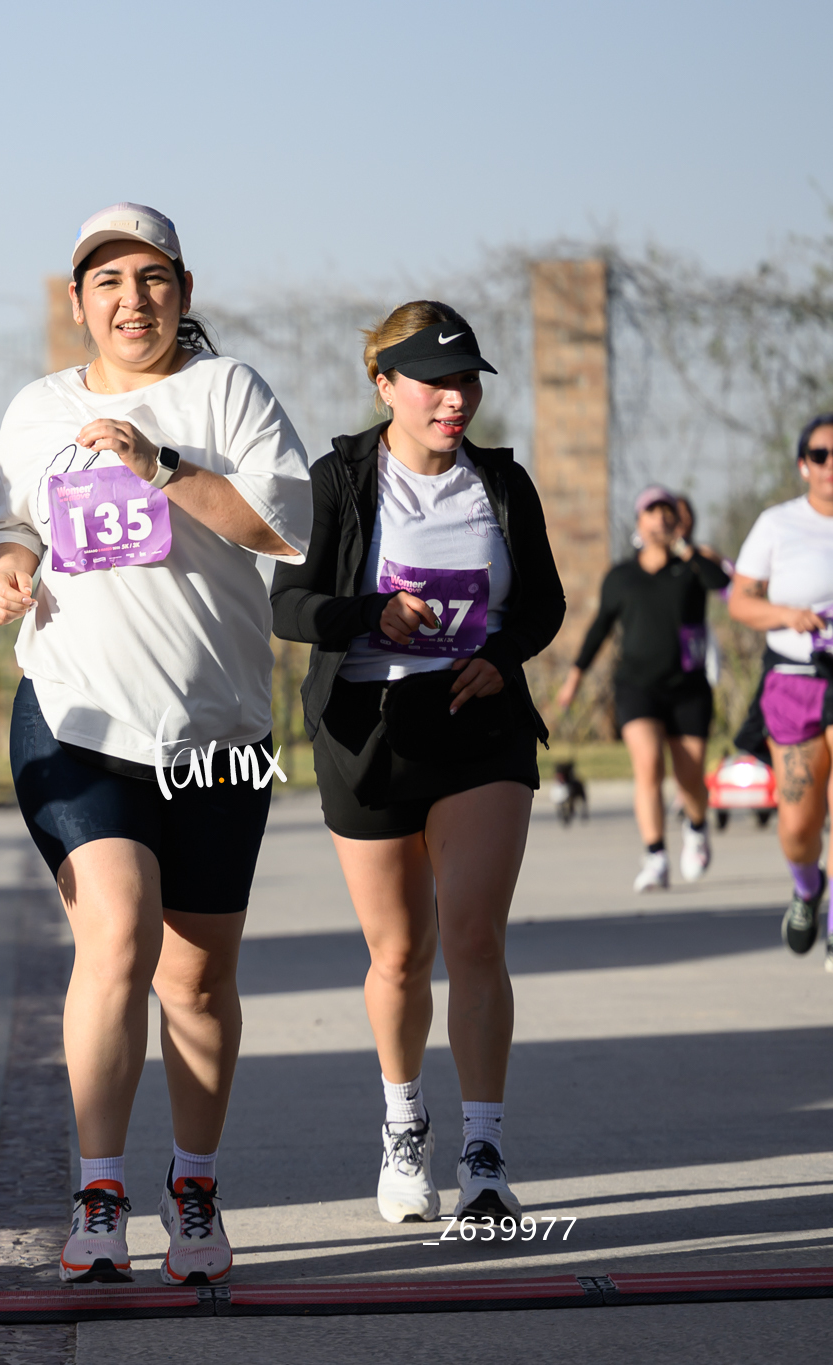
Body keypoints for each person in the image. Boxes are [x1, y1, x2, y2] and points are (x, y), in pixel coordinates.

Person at [0, 204, 311, 1286]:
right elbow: (8, 518)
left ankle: (194, 1187)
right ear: (76, 301)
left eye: (150, 278)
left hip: (215, 731)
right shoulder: (37, 410)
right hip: (74, 718)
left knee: (198, 984)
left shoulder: (228, 394)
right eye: (106, 282)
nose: (131, 300)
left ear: (183, 289)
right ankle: (99, 1187)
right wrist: (7, 565)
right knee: (116, 934)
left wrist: (162, 463)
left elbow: (284, 528)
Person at [271, 301, 564, 1226]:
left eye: (468, 379)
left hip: (478, 724)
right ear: (385, 384)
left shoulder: (503, 485)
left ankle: (485, 1152)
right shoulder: (340, 480)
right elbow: (291, 605)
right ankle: (406, 1128)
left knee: (475, 935)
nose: (456, 398)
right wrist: (371, 617)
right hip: (370, 728)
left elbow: (545, 601)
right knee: (399, 953)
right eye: (436, 381)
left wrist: (502, 650)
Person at [555, 484, 729, 890]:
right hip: (636, 686)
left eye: (667, 512)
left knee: (690, 778)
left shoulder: (692, 565)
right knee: (648, 765)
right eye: (652, 511)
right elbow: (600, 629)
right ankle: (655, 856)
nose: (660, 518)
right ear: (639, 522)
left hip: (688, 688)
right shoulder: (622, 576)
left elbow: (722, 583)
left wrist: (687, 549)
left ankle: (697, 828)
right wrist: (575, 677)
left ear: (677, 521)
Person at [728, 412, 833, 969]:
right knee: (798, 825)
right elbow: (739, 600)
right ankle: (807, 885)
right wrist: (785, 615)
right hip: (795, 681)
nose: (831, 464)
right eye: (820, 455)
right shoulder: (778, 523)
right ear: (803, 465)